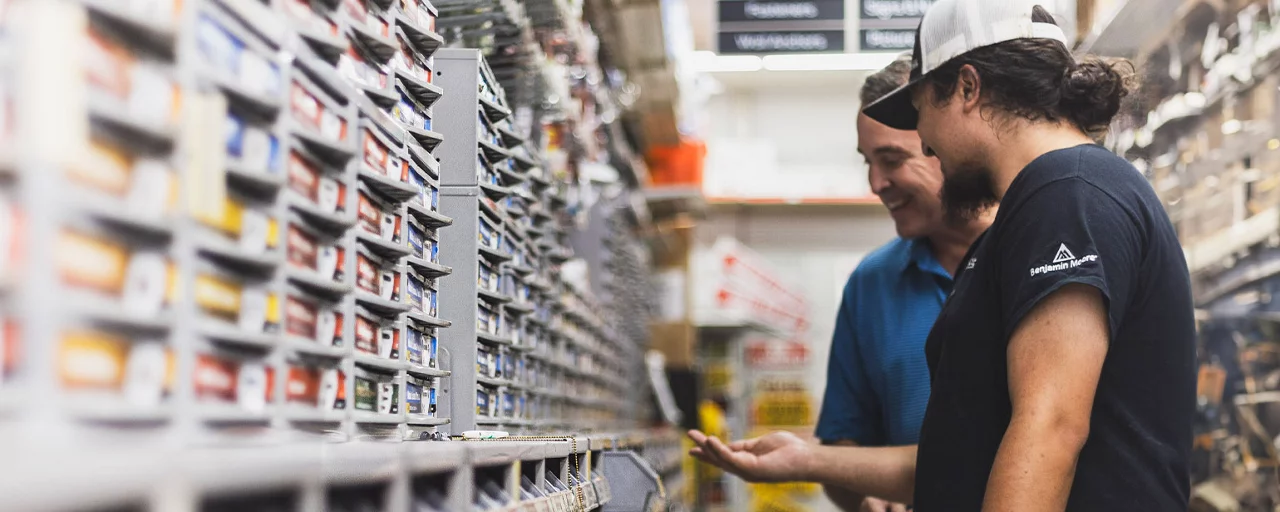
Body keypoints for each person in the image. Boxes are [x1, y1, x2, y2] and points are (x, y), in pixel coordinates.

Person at [689, 1, 1197, 511]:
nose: (927, 144)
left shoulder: (1067, 193)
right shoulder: (1035, 210)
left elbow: (1050, 429)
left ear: (968, 88)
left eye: (922, 112)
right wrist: (807, 459)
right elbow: (957, 457)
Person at [816, 54, 992, 512]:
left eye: (891, 160)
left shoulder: (1039, 257)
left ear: (945, 143)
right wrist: (869, 495)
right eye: (868, 163)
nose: (876, 183)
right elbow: (840, 446)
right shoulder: (870, 286)